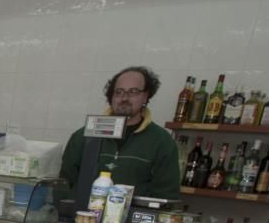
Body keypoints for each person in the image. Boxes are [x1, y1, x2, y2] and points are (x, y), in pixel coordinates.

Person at [60, 66, 181, 200]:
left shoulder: (162, 141)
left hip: (132, 219)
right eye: (118, 92)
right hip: (83, 218)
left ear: (146, 96)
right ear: (111, 97)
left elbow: (166, 196)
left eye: (133, 92)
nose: (124, 98)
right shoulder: (83, 136)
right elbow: (63, 185)